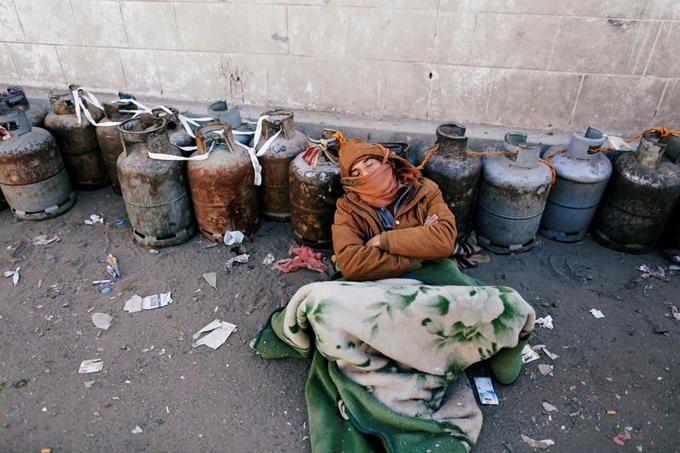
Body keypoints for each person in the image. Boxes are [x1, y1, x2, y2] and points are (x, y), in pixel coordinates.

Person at [332, 138, 457, 281]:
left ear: (387, 162)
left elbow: (445, 240)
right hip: (376, 281)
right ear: (351, 183)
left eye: (370, 165)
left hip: (425, 275)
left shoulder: (426, 190)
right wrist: (419, 253)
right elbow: (351, 264)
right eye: (356, 174)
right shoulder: (347, 208)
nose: (366, 174)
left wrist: (381, 241)